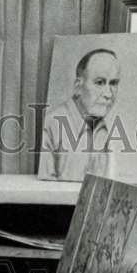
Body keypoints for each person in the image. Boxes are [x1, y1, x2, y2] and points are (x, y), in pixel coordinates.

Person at [38, 48, 121, 181]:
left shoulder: (104, 128)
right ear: (78, 86)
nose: (108, 94)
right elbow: (45, 188)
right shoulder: (53, 123)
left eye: (113, 83)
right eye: (99, 82)